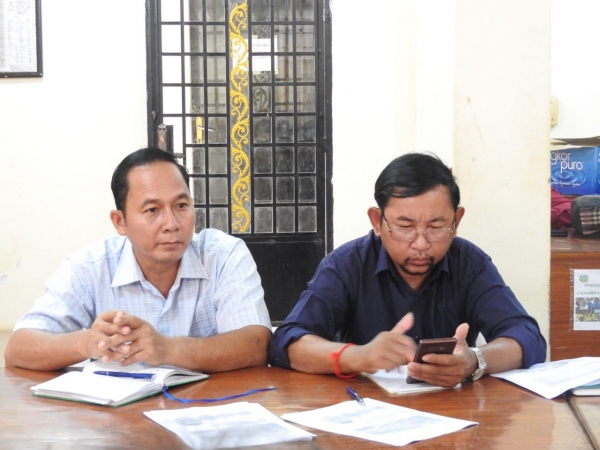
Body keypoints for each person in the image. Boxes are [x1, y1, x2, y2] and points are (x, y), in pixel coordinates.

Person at [269, 153, 546, 387]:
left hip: (453, 412)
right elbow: (287, 343)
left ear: (456, 221)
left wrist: (473, 360)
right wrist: (357, 356)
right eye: (405, 227)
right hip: (367, 411)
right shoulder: (347, 265)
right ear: (377, 221)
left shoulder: (470, 264)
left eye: (437, 227)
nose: (421, 244)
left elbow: (527, 337)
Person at [5, 148, 272, 372]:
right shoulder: (90, 266)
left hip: (207, 405)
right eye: (152, 210)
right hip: (120, 413)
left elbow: (256, 345)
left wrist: (167, 349)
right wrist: (86, 343)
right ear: (120, 221)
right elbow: (18, 348)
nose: (171, 224)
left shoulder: (223, 255)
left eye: (181, 206)